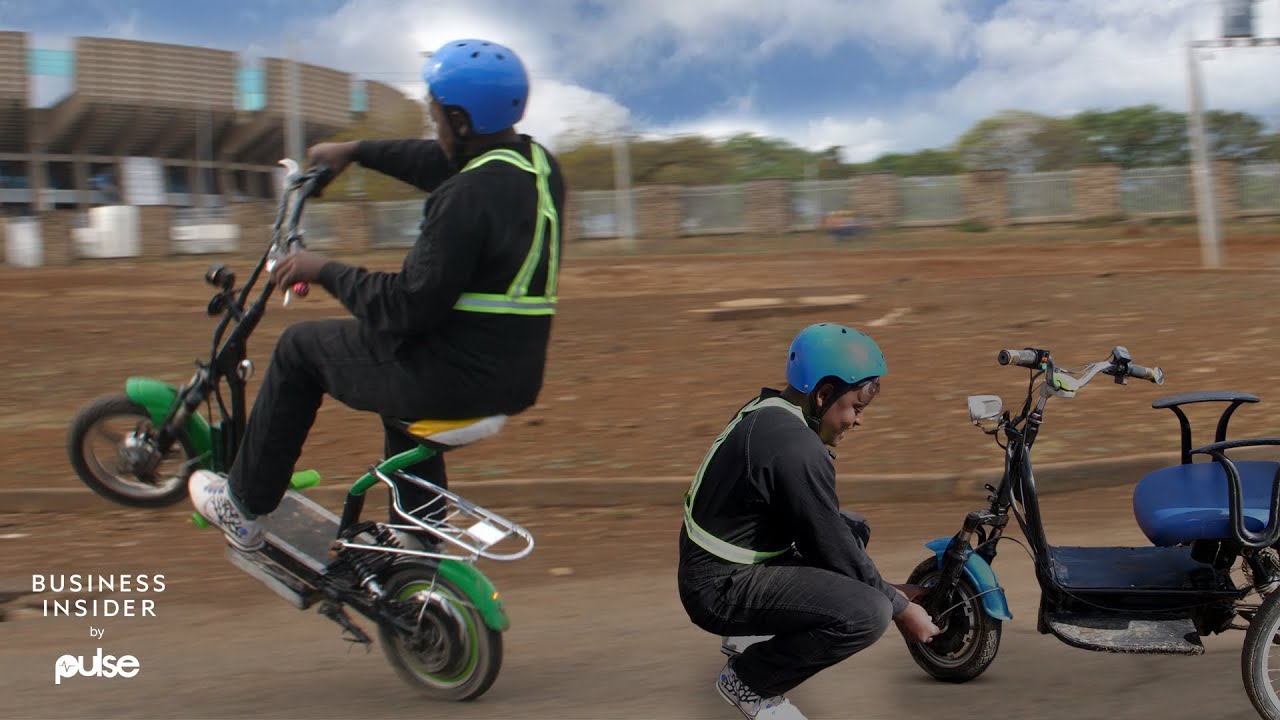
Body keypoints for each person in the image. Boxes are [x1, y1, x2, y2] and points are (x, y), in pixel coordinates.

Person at [189, 37, 564, 552]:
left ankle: (245, 506)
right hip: (512, 373)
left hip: (459, 379)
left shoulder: (464, 198)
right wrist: (356, 153)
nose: (431, 126)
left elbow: (404, 307)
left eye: (435, 116)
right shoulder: (535, 167)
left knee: (300, 349)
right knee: (394, 386)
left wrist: (322, 269)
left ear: (460, 122)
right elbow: (438, 163)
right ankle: (416, 537)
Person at [677, 322, 941, 720]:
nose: (857, 421)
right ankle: (751, 681)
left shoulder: (771, 411)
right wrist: (899, 609)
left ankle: (753, 636)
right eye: (855, 408)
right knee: (867, 614)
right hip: (719, 588)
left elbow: (830, 535)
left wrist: (885, 588)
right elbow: (830, 546)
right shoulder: (797, 450)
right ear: (823, 395)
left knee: (854, 530)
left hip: (723, 563)